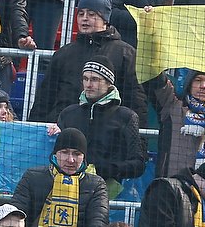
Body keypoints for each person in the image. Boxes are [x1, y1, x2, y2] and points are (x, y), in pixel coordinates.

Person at [29, 0, 147, 124]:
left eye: (91, 14)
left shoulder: (126, 53)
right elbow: (45, 97)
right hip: (64, 128)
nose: (84, 18)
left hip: (107, 130)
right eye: (81, 14)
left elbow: (135, 99)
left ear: (105, 19)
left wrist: (136, 131)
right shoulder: (63, 53)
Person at [12, 128, 109, 227]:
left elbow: (98, 221)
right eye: (64, 152)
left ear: (84, 157)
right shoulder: (32, 177)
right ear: (55, 153)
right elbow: (15, 213)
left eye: (77, 154)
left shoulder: (96, 185)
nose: (70, 160)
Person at [56, 56, 146, 191]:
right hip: (67, 189)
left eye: (95, 79)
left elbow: (138, 164)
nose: (88, 85)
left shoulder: (126, 117)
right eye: (85, 79)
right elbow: (54, 156)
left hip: (109, 192)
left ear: (109, 83)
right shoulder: (68, 114)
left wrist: (107, 169)